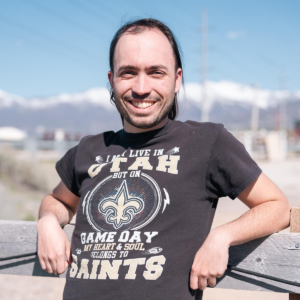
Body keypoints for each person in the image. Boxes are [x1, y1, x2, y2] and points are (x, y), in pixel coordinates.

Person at [37, 18, 291, 300]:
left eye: (156, 72)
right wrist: (48, 221)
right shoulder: (88, 149)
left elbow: (277, 207)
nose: (142, 87)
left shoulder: (207, 142)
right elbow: (58, 200)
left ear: (177, 79)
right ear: (112, 80)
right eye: (128, 72)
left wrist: (223, 236)